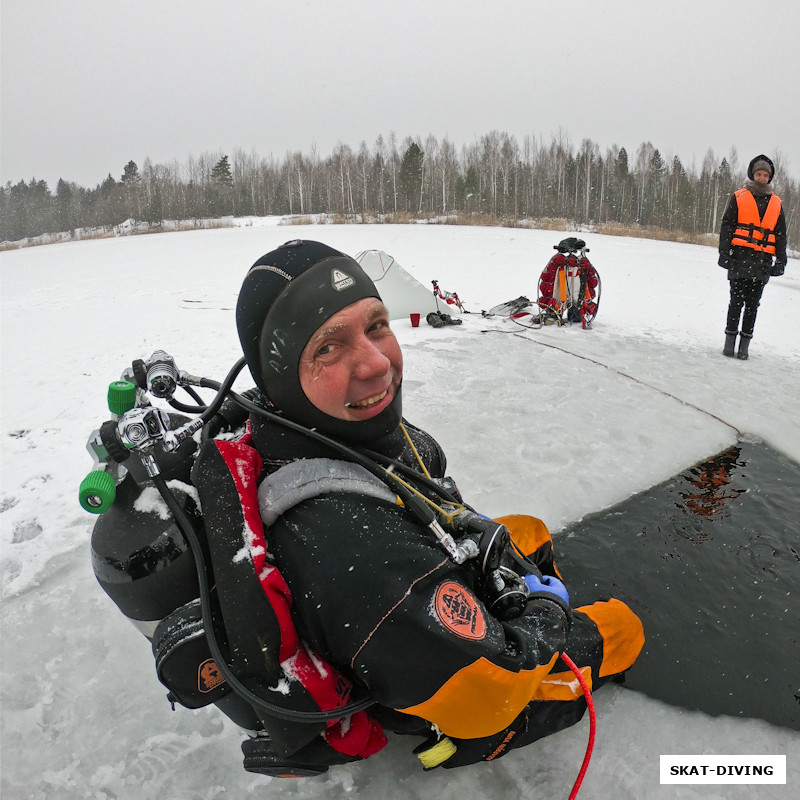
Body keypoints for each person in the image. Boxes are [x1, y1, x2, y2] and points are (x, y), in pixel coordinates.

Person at [222, 238, 644, 772]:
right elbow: (496, 690)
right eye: (327, 346)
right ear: (281, 380)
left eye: (376, 325)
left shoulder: (318, 430)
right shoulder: (360, 554)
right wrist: (545, 613)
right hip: (463, 696)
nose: (376, 363)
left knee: (528, 532)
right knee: (625, 628)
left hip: (414, 593)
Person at [718, 154, 787, 359]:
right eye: (758, 173)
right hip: (739, 259)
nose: (762, 177)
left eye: (765, 175)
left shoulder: (776, 203)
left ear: (770, 177)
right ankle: (729, 343)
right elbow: (727, 226)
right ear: (752, 174)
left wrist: (781, 260)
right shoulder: (739, 196)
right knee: (736, 302)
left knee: (752, 305)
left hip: (762, 262)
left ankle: (744, 346)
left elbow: (781, 234)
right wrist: (724, 253)